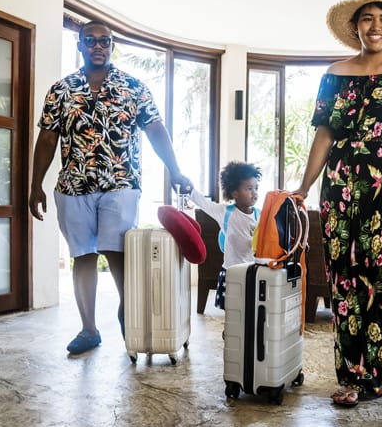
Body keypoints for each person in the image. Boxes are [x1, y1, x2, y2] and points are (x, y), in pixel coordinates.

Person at [293, 0, 382, 407]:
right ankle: (355, 377)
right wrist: (304, 186)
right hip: (340, 190)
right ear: (355, 26)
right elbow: (324, 133)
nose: (376, 27)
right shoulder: (334, 74)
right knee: (345, 280)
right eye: (368, 19)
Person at [29, 20, 191, 356]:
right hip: (73, 185)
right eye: (91, 40)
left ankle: (127, 311)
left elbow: (156, 130)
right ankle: (89, 329)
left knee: (117, 249)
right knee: (82, 255)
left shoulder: (134, 87)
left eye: (105, 41)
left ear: (112, 45)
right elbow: (47, 138)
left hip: (120, 182)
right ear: (81, 45)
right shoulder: (61, 90)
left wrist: (174, 170)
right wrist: (35, 185)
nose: (98, 46)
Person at [188, 161, 262, 310]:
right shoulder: (226, 212)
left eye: (256, 188)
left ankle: (248, 333)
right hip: (232, 273)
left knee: (252, 310)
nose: (254, 192)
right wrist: (189, 189)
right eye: (249, 188)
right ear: (235, 192)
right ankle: (230, 334)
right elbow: (204, 203)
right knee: (232, 313)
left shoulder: (260, 215)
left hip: (254, 274)